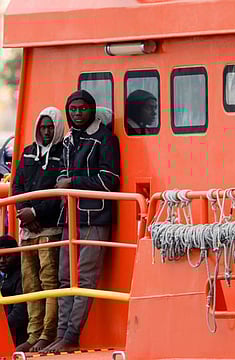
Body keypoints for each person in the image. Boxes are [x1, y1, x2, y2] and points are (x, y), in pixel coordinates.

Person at [42, 90, 120, 353]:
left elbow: (110, 181)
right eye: (73, 109)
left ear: (92, 110)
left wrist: (73, 183)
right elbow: (62, 175)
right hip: (70, 218)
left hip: (95, 217)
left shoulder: (105, 139)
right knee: (65, 279)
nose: (77, 113)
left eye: (82, 109)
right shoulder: (67, 142)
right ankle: (62, 334)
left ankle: (72, 335)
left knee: (85, 279)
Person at [12, 107, 65, 352]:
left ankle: (48, 333)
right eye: (43, 127)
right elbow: (18, 186)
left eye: (50, 127)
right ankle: (33, 334)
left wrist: (36, 213)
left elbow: (58, 193)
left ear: (57, 128)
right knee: (30, 282)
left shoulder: (63, 153)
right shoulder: (28, 153)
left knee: (49, 281)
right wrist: (25, 212)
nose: (46, 131)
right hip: (28, 231)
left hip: (50, 230)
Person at [0, 235, 28, 347]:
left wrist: (2, 327)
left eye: (7, 257)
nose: (2, 261)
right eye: (0, 257)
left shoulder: (22, 275)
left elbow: (20, 313)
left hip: (18, 337)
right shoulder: (3, 275)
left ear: (17, 254)